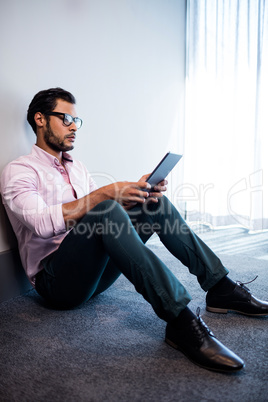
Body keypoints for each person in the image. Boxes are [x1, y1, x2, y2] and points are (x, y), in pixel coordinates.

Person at [1, 88, 267, 373]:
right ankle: (181, 321)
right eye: (66, 118)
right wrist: (107, 195)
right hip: (57, 285)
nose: (73, 127)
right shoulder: (19, 171)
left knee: (154, 205)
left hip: (94, 276)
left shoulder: (77, 168)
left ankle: (220, 287)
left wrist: (136, 193)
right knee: (106, 208)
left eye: (77, 121)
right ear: (40, 119)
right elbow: (42, 224)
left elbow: (95, 216)